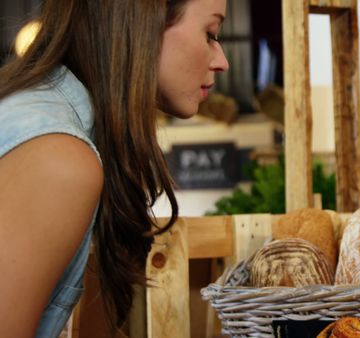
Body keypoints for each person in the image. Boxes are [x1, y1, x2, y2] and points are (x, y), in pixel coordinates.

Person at [0, 0, 229, 336]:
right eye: (210, 33)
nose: (222, 61)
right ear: (143, 24)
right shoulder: (58, 158)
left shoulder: (70, 131)